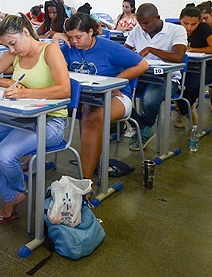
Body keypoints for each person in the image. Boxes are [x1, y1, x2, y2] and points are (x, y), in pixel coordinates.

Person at [0, 14, 71, 224]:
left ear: (25, 33)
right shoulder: (14, 54)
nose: (11, 50)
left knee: (4, 155)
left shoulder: (49, 51)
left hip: (50, 121)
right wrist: (10, 85)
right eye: (7, 46)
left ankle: (12, 196)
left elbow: (64, 89)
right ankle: (13, 194)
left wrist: (26, 93)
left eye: (13, 44)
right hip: (20, 117)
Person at [62, 13, 148, 179]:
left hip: (116, 97)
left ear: (91, 32)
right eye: (70, 37)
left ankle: (85, 181)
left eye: (78, 37)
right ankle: (30, 163)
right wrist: (56, 39)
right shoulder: (68, 47)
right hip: (83, 98)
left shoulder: (109, 47)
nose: (73, 42)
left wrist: (116, 82)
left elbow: (142, 64)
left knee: (93, 116)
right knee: (48, 111)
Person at [125, 3, 187, 151]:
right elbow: (125, 51)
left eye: (146, 23)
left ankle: (145, 126)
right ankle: (142, 126)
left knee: (150, 98)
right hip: (141, 76)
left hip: (167, 79)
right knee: (117, 93)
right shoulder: (137, 30)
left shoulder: (177, 30)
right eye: (140, 23)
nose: (143, 27)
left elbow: (178, 56)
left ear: (157, 18)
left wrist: (151, 49)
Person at [174, 6, 212, 127]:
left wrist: (192, 49)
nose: (189, 27)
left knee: (193, 85)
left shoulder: (204, 28)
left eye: (193, 24)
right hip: (182, 66)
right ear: (180, 19)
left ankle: (183, 110)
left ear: (199, 21)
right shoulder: (175, 28)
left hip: (203, 68)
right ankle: (188, 105)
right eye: (185, 23)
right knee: (166, 82)